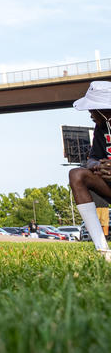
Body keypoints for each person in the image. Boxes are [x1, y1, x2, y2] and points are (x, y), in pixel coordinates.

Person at [67, 81, 111, 260]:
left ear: (103, 108)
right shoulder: (101, 128)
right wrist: (97, 165)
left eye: (92, 108)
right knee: (76, 175)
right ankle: (102, 250)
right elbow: (92, 158)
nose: (90, 113)